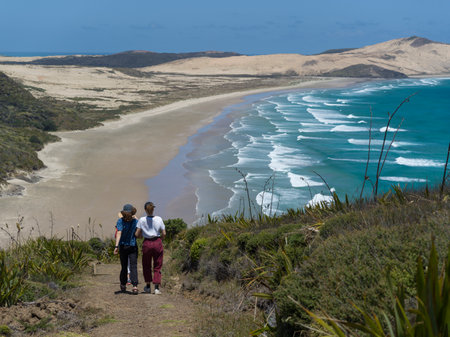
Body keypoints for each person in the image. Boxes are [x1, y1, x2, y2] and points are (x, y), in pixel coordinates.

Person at [135, 201, 166, 294]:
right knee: (157, 265)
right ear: (153, 209)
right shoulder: (159, 219)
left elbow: (137, 234)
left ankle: (148, 286)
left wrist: (141, 237)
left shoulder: (141, 220)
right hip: (157, 242)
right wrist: (161, 239)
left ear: (145, 209)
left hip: (147, 243)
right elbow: (164, 233)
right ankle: (156, 288)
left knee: (146, 265)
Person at [114, 204, 139, 294]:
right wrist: (136, 219)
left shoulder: (120, 221)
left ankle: (123, 284)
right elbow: (138, 233)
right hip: (133, 246)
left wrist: (116, 246)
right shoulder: (135, 222)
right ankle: (135, 286)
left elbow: (119, 233)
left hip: (123, 246)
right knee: (133, 266)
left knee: (124, 267)